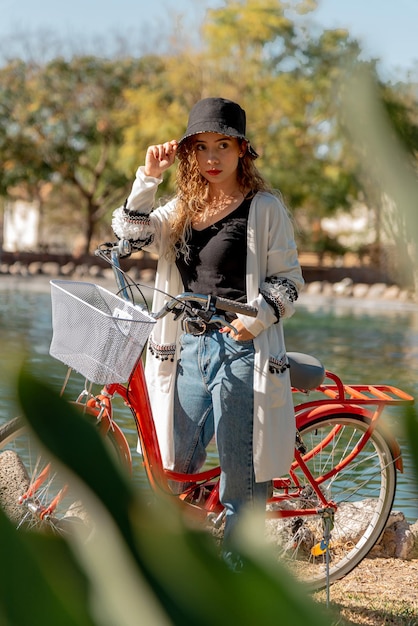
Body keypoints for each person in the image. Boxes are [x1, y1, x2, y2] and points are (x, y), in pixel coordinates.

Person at [112, 97, 304, 567]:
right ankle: (180, 570)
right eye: (201, 147)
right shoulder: (183, 206)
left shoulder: (264, 208)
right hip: (185, 346)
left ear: (243, 150)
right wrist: (148, 177)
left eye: (223, 145)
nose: (212, 157)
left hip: (241, 349)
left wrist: (253, 320)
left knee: (242, 479)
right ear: (190, 154)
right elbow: (132, 236)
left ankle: (238, 581)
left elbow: (290, 281)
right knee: (173, 467)